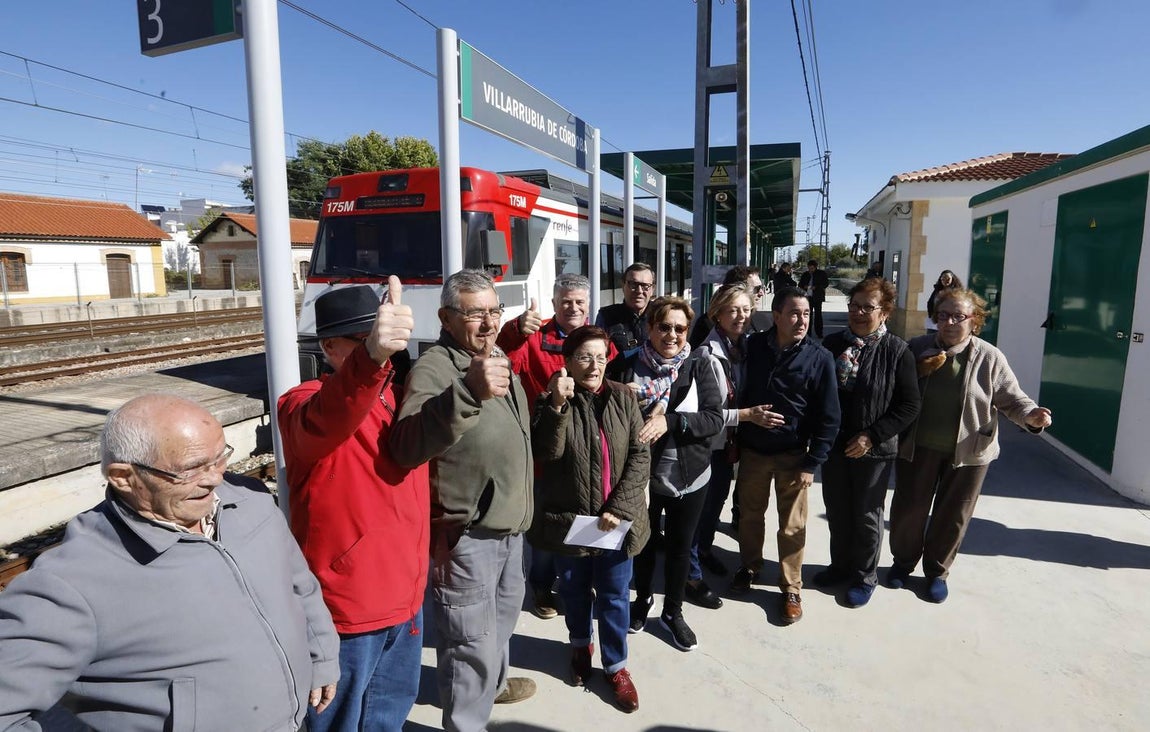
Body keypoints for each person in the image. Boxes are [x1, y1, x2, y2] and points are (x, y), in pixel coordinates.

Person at [0, 394, 340, 730]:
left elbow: (298, 584)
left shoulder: (250, 501)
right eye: (191, 468)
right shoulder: (69, 583)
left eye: (219, 458)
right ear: (122, 476)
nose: (215, 478)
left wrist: (322, 655)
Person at [278, 279, 429, 732]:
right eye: (363, 339)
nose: (381, 349)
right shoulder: (300, 404)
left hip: (406, 597)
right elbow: (329, 415)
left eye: (380, 336)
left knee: (389, 715)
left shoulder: (396, 398)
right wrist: (373, 358)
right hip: (350, 609)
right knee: (337, 721)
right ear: (329, 347)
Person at [389, 269, 536, 731]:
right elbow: (407, 443)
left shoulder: (496, 356)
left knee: (501, 622)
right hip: (468, 533)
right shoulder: (435, 367)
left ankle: (491, 686)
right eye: (476, 314)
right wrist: (467, 391)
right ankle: (467, 721)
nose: (490, 322)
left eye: (495, 311)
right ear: (446, 319)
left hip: (510, 527)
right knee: (468, 640)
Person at [888, 288, 1052, 603]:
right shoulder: (916, 348)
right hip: (917, 447)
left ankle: (937, 572)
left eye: (958, 316)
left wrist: (1031, 415)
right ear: (935, 318)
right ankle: (902, 564)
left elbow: (1011, 398)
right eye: (943, 315)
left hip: (970, 452)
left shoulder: (989, 357)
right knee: (909, 509)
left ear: (973, 320)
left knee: (954, 514)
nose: (949, 322)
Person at [529, 325, 651, 712]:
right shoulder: (548, 402)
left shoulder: (622, 398)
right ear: (566, 362)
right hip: (571, 523)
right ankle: (581, 647)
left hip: (616, 523)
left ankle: (616, 666)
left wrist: (620, 508)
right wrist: (557, 407)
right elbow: (547, 454)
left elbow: (639, 455)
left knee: (616, 596)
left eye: (600, 356)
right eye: (584, 357)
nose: (594, 365)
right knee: (574, 592)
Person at [607, 297, 724, 652]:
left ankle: (673, 612)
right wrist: (620, 400)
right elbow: (603, 413)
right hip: (641, 478)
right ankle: (642, 602)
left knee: (678, 547)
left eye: (679, 328)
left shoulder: (698, 365)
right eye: (664, 327)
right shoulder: (625, 366)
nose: (671, 334)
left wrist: (668, 420)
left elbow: (713, 419)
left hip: (689, 474)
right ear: (649, 328)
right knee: (642, 545)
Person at [497, 274, 615, 620]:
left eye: (579, 301)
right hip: (546, 447)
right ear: (553, 304)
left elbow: (614, 378)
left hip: (589, 449)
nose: (573, 307)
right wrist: (515, 329)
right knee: (547, 526)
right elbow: (505, 358)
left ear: (588, 305)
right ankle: (541, 585)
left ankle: (577, 582)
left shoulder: (598, 339)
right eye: (566, 301)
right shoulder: (535, 337)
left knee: (587, 516)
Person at [728, 287, 840, 625]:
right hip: (754, 452)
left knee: (792, 526)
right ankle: (749, 566)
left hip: (794, 457)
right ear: (775, 315)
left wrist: (813, 463)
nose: (801, 320)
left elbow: (829, 416)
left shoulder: (819, 358)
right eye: (794, 313)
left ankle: (791, 587)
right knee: (749, 516)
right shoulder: (753, 347)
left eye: (806, 314)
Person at [816, 278, 920, 608]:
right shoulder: (831, 345)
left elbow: (909, 406)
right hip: (835, 447)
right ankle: (840, 566)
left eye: (867, 307)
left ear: (885, 312)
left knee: (866, 515)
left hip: (873, 450)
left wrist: (871, 436)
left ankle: (864, 576)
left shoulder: (897, 351)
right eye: (853, 306)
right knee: (837, 510)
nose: (858, 313)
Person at [686, 284, 762, 604]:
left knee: (715, 505)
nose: (741, 316)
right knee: (697, 510)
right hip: (707, 447)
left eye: (745, 309)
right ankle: (690, 575)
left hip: (728, 446)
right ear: (716, 313)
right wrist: (746, 416)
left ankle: (704, 550)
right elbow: (705, 413)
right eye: (732, 310)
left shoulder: (743, 348)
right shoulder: (705, 355)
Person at [687, 265, 765, 348]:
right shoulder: (707, 324)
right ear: (738, 289)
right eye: (757, 289)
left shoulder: (761, 320)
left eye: (746, 310)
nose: (762, 293)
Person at [596, 262, 655, 356]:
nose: (639, 291)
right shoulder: (606, 316)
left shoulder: (661, 314)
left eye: (645, 286)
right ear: (623, 286)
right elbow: (598, 352)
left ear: (652, 289)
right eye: (633, 284)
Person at [799, 259, 831, 339]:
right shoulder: (805, 274)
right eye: (809, 268)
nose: (810, 270)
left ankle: (819, 332)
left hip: (817, 297)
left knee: (818, 315)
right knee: (808, 315)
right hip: (807, 297)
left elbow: (825, 283)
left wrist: (816, 287)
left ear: (815, 267)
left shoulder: (821, 274)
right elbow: (800, 284)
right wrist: (804, 286)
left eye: (812, 268)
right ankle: (808, 332)